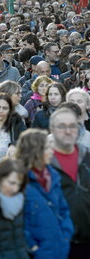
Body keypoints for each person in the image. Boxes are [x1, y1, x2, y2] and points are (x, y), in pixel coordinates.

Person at [16, 129, 74, 259]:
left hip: (59, 249)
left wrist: (65, 236)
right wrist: (32, 246)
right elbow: (14, 222)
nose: (51, 152)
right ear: (35, 151)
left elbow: (64, 210)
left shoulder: (54, 177)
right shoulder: (18, 181)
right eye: (47, 148)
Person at [50, 108, 90, 258]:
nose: (68, 131)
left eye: (72, 126)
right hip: (55, 243)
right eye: (61, 126)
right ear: (52, 129)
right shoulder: (41, 163)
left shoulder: (87, 157)